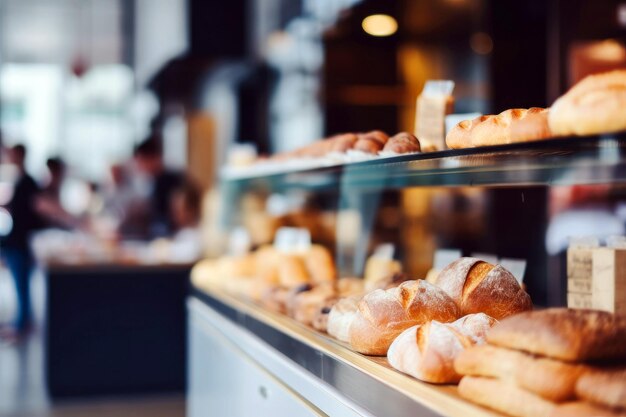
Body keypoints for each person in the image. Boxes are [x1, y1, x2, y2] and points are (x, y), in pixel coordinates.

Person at [0, 145, 41, 340]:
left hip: (21, 242)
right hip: (14, 240)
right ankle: (21, 321)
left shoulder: (28, 181)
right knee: (19, 284)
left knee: (21, 285)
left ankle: (21, 324)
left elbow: (38, 206)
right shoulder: (19, 181)